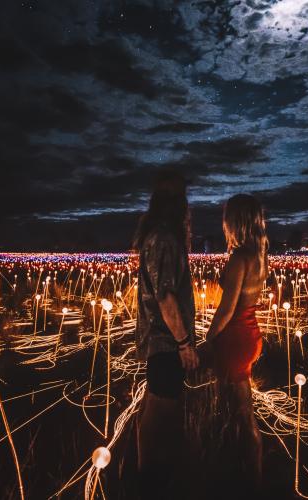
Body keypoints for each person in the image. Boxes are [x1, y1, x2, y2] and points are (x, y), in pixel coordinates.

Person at [133, 170, 199, 498]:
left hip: (163, 341)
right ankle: (150, 482)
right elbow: (165, 296)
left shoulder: (160, 238)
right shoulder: (164, 239)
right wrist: (184, 343)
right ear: (176, 205)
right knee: (162, 411)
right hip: (165, 342)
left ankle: (152, 476)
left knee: (157, 410)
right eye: (184, 200)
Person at [205, 194, 267, 490]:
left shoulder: (239, 258)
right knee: (237, 406)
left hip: (235, 337)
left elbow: (227, 309)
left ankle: (253, 476)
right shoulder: (258, 256)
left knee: (243, 411)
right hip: (250, 333)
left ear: (235, 221)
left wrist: (208, 337)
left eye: (227, 217)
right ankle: (239, 460)